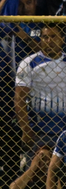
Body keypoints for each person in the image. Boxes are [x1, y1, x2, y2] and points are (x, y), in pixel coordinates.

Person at [15, 24, 66, 154]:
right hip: (39, 130)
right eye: (45, 37)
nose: (49, 41)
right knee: (36, 171)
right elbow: (19, 98)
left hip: (64, 130)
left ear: (62, 39)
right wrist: (26, 130)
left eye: (53, 36)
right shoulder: (29, 63)